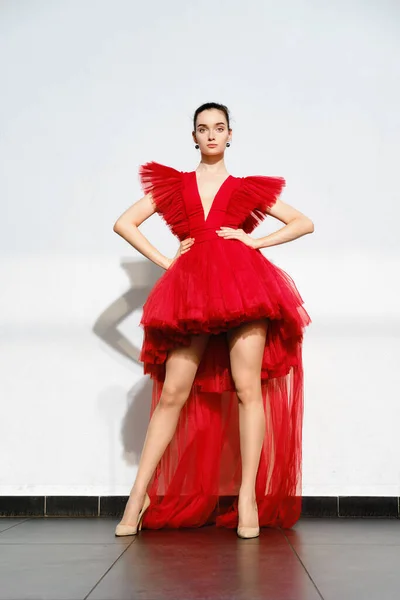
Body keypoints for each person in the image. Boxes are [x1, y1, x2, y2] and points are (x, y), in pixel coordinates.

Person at [112, 102, 314, 539]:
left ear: (229, 135)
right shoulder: (175, 185)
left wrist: (254, 240)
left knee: (247, 390)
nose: (210, 136)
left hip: (244, 286)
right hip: (193, 291)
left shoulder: (244, 188)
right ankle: (138, 495)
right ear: (193, 136)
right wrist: (167, 261)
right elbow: (124, 223)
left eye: (218, 128)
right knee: (174, 393)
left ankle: (246, 498)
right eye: (202, 129)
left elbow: (304, 222)